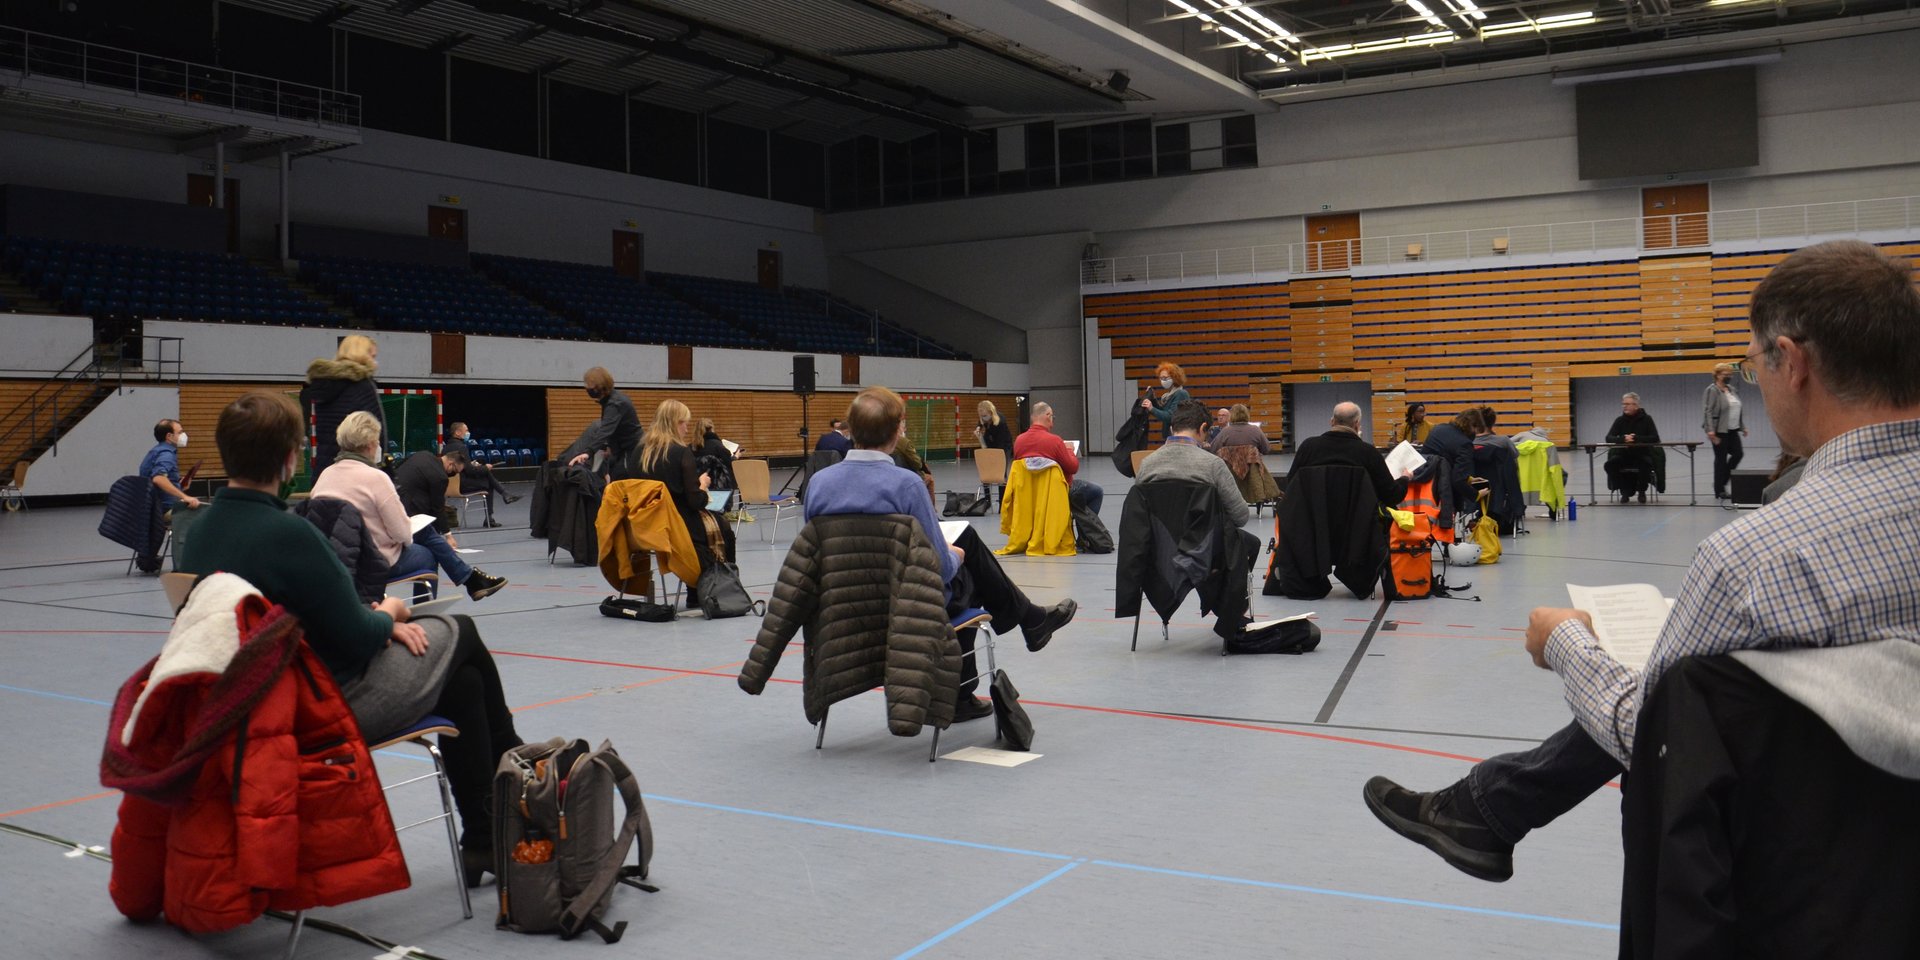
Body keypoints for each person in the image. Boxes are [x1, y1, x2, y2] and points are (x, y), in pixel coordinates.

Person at [1362, 239, 1920, 884]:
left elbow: (1656, 738)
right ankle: (1485, 809)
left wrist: (1567, 643)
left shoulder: (1757, 557)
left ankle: (1483, 808)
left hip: (1799, 870)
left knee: (1664, 694)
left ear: (1790, 361)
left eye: (1750, 366)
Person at [176, 391, 525, 888]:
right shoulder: (289, 536)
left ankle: (484, 839)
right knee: (461, 633)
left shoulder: (201, 532)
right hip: (316, 707)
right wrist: (391, 614)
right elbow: (359, 638)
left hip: (240, 707)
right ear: (290, 457)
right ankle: (516, 760)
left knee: (463, 684)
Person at [807, 386, 1079, 721]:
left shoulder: (819, 484)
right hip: (908, 605)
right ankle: (1017, 635)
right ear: (896, 433)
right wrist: (957, 556)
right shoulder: (906, 485)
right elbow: (939, 568)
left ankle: (1028, 624)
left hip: (844, 605)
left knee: (964, 544)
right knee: (968, 572)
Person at [311, 412, 507, 602]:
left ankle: (471, 579)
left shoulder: (325, 475)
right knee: (429, 552)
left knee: (425, 534)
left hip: (331, 561)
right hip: (369, 563)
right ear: (370, 444)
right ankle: (427, 611)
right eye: (378, 441)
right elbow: (402, 534)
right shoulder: (376, 477)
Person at [630, 400, 736, 606]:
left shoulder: (638, 452)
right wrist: (703, 486)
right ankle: (716, 588)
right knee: (723, 529)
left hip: (644, 526)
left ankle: (700, 588)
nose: (687, 428)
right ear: (673, 423)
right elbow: (695, 501)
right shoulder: (679, 452)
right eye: (684, 423)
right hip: (676, 525)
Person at [1133, 399, 1255, 533]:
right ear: (1203, 428)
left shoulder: (1147, 464)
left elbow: (1138, 513)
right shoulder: (1214, 465)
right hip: (1204, 548)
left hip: (1159, 547)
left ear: (1171, 428)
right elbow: (1241, 516)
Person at [1291, 402, 1409, 507]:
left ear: (1332, 422)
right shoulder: (1368, 452)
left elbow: (1291, 484)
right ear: (1357, 424)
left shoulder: (1308, 447)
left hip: (1314, 525)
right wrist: (1405, 478)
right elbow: (1392, 496)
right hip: (1359, 527)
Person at [301, 334, 385, 479]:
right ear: (361, 355)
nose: (375, 362)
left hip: (324, 470)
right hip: (355, 472)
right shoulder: (363, 386)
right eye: (372, 356)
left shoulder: (323, 386)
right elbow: (377, 431)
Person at [1013, 401, 1103, 516]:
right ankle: (1085, 531)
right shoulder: (1055, 441)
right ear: (1048, 416)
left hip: (1029, 493)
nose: (1052, 422)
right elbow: (1073, 468)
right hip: (1055, 491)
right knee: (1096, 492)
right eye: (1052, 417)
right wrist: (1069, 450)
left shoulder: (1019, 441)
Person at [563, 366, 639, 477]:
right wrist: (609, 447)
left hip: (630, 450)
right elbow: (613, 428)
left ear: (600, 386)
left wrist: (588, 452)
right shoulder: (609, 400)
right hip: (622, 449)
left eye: (589, 385)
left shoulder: (615, 403)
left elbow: (605, 431)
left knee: (619, 481)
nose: (586, 388)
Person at [444, 421, 518, 528]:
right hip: (462, 484)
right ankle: (491, 516)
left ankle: (505, 495)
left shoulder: (446, 447)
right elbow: (469, 471)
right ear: (458, 432)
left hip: (450, 485)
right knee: (488, 481)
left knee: (486, 475)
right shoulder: (461, 447)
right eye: (466, 430)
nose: (468, 433)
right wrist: (484, 467)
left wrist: (473, 465)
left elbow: (462, 466)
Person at [1419, 408, 1482, 514]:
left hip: (1422, 484)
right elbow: (1457, 480)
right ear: (1473, 426)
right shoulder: (1465, 444)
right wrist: (1476, 494)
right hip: (1442, 494)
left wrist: (1468, 479)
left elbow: (1444, 457)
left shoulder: (1438, 429)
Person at [1702, 362, 1748, 500]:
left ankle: (1721, 481)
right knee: (1721, 460)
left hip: (1733, 430)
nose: (1728, 376)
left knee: (1738, 454)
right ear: (1717, 375)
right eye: (1725, 374)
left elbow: (1737, 409)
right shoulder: (1712, 390)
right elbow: (1707, 411)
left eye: (1730, 374)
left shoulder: (1732, 389)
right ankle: (1719, 490)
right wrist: (1710, 430)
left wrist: (1742, 426)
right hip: (1719, 430)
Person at [1605, 392, 1662, 503]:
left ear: (1636, 405)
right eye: (1623, 404)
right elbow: (1609, 438)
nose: (1624, 406)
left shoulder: (1647, 419)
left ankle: (1641, 491)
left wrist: (1636, 438)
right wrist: (1623, 439)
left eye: (1628, 404)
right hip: (1623, 455)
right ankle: (1623, 490)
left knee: (1645, 464)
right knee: (1610, 465)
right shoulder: (1619, 420)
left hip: (1642, 454)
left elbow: (1655, 438)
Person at [139, 418, 200, 516]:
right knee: (204, 515)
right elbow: (158, 478)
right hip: (165, 509)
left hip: (151, 507)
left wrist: (179, 487)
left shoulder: (155, 451)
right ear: (169, 436)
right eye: (180, 432)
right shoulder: (167, 454)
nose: (183, 435)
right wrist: (185, 497)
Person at [1138, 362, 1191, 432]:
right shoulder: (1168, 395)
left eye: (1165, 378)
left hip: (1178, 436)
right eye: (1161, 378)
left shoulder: (1180, 394)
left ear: (1175, 377)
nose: (1163, 381)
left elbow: (1170, 416)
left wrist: (1152, 408)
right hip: (1172, 435)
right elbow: (1163, 412)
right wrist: (1153, 398)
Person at [1204, 404, 1270, 455]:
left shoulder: (1225, 432)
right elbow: (1266, 450)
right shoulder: (1256, 430)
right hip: (1252, 470)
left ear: (1231, 416)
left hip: (1230, 470)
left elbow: (1213, 450)